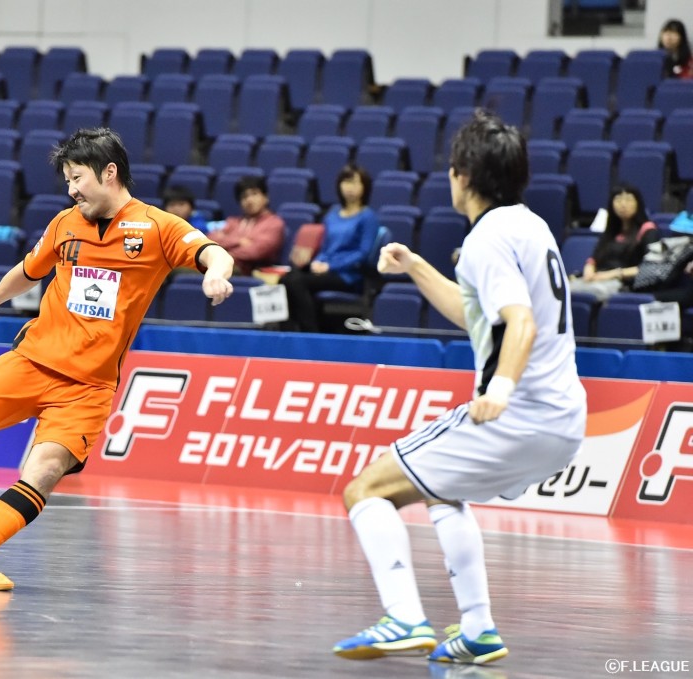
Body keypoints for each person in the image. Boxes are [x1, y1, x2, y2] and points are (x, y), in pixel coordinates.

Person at [0, 127, 235, 590]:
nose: (72, 189)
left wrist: (215, 274)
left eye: (78, 178)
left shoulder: (157, 226)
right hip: (33, 361)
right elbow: (29, 270)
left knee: (45, 470)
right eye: (68, 181)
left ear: (109, 172)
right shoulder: (64, 223)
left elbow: (214, 252)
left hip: (88, 388)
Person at [332, 110, 586, 666]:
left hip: (516, 414)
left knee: (365, 490)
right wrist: (416, 266)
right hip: (564, 422)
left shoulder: (486, 240)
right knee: (440, 488)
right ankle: (478, 630)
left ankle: (403, 617)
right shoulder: (530, 226)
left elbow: (520, 322)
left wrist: (501, 388)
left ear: (463, 176)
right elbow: (477, 314)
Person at [279, 164, 380, 332]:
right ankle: (290, 331)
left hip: (348, 275)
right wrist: (317, 263)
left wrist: (330, 266)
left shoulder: (368, 217)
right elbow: (325, 248)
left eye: (355, 183)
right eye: (346, 182)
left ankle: (310, 333)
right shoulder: (332, 214)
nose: (350, 187)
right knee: (286, 279)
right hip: (325, 270)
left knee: (296, 281)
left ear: (365, 187)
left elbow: (363, 253)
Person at [569, 184, 660, 302]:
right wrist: (589, 268)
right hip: (599, 278)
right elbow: (594, 258)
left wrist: (614, 274)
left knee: (583, 294)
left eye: (628, 200)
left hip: (625, 283)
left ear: (638, 203)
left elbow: (651, 267)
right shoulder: (611, 230)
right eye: (618, 200)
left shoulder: (647, 230)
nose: (623, 204)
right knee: (564, 290)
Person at [209, 175, 285, 275]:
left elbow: (256, 251)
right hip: (222, 265)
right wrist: (239, 241)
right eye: (244, 197)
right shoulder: (232, 222)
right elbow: (210, 239)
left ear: (266, 197)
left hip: (251, 273)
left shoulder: (274, 223)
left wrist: (225, 245)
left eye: (254, 194)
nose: (249, 200)